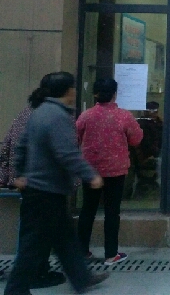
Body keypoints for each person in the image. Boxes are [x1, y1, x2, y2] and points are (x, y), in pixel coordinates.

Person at [4, 71, 109, 295]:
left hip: (40, 189)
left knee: (65, 238)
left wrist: (21, 172)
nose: (75, 91)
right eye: (73, 87)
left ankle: (82, 278)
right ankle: (15, 290)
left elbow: (21, 145)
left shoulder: (39, 112)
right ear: (68, 91)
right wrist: (90, 175)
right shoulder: (57, 116)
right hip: (46, 191)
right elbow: (66, 153)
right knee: (32, 246)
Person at [0, 75, 66, 290]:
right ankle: (35, 274)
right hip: (41, 183)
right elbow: (61, 153)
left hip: (26, 181)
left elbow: (8, 146)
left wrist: (14, 175)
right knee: (37, 236)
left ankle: (31, 275)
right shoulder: (49, 115)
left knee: (34, 232)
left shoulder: (27, 113)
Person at [76, 78, 143, 266]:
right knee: (112, 212)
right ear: (115, 94)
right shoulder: (124, 116)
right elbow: (136, 139)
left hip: (90, 170)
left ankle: (82, 251)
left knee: (87, 210)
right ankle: (111, 254)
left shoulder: (86, 116)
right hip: (116, 171)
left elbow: (75, 138)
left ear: (94, 94)